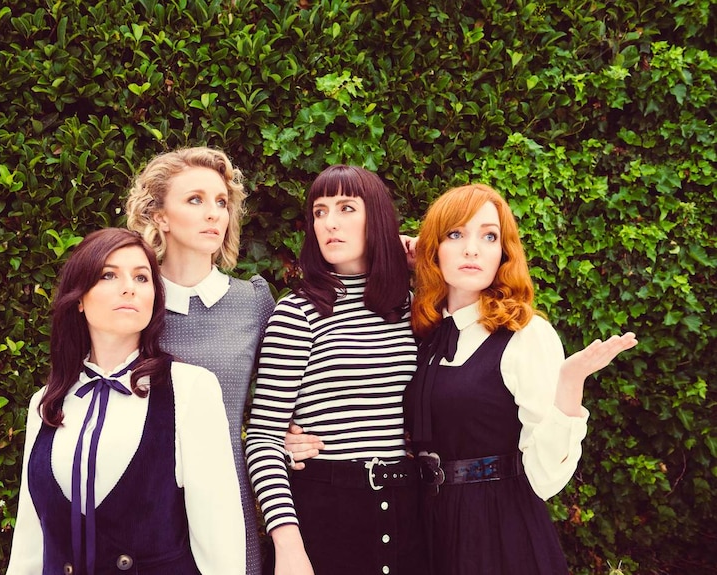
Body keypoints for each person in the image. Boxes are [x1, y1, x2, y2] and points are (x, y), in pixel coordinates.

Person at [404, 183, 638, 574]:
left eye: (489, 236)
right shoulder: (424, 332)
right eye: (455, 234)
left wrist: (570, 382)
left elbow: (545, 480)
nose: (472, 249)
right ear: (433, 249)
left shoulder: (525, 335)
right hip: (428, 525)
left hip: (498, 531)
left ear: (503, 253)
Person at [6, 228, 244, 575]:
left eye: (142, 277)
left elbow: (221, 545)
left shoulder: (190, 389)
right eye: (109, 275)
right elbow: (30, 544)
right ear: (79, 299)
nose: (129, 287)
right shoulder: (45, 403)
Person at [245, 165, 426, 575]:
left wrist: (423, 265)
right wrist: (288, 543)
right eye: (320, 211)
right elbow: (263, 438)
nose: (330, 223)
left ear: (376, 218)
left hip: (410, 507)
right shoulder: (298, 313)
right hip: (327, 511)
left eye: (346, 208)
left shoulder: (411, 307)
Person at [124, 146, 276, 575]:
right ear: (160, 215)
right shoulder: (131, 300)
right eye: (195, 200)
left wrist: (296, 434)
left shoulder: (253, 302)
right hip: (140, 496)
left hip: (226, 494)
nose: (214, 214)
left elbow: (282, 404)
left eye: (221, 202)